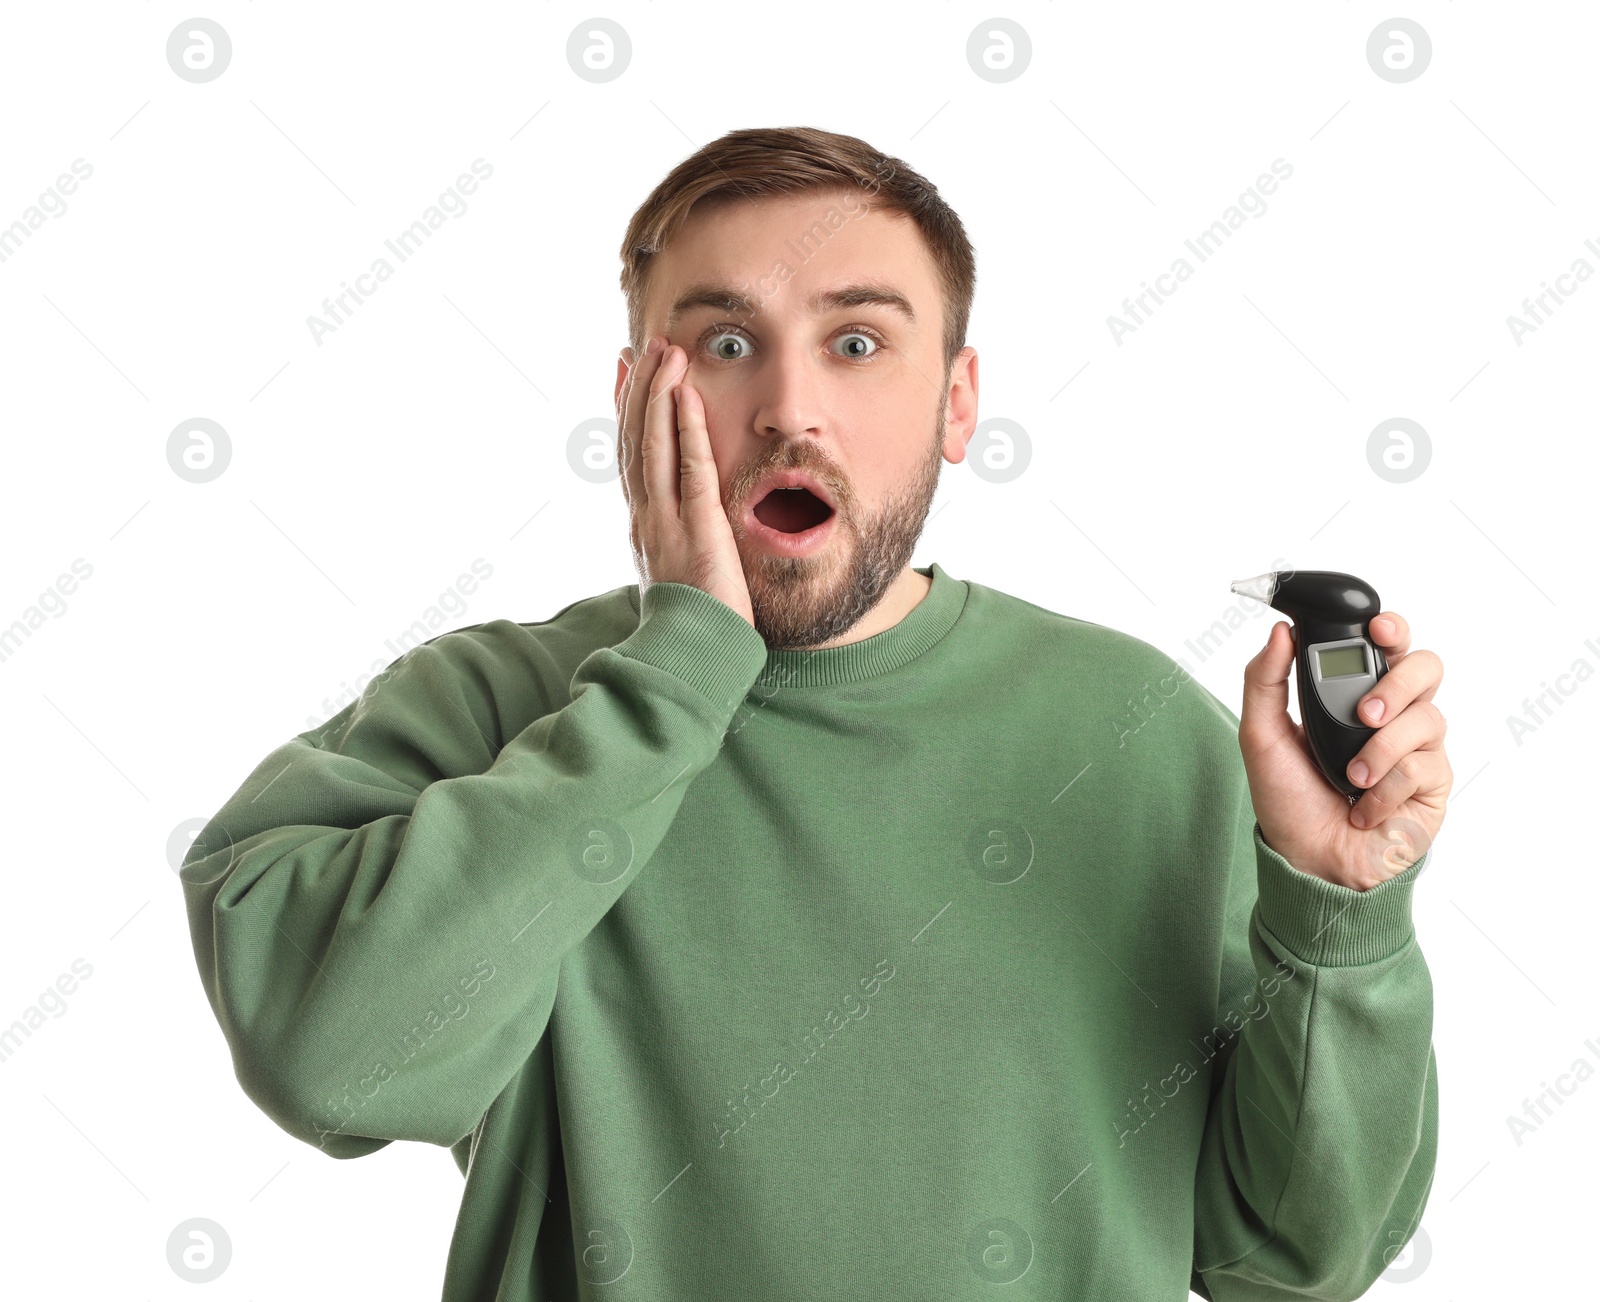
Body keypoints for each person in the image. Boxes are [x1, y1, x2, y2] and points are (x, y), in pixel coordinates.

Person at [179, 125, 1449, 1301]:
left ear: (957, 403)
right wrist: (673, 676)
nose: (789, 408)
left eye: (856, 343)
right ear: (634, 401)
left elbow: (1290, 1261)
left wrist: (1339, 919)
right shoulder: (498, 706)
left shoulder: (1137, 731)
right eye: (726, 344)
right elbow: (331, 1062)